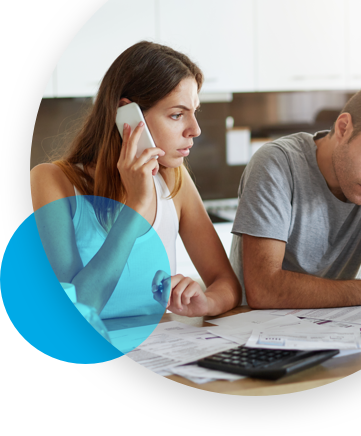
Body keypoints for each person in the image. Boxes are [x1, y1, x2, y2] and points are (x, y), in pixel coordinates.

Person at [30, 41, 241, 319]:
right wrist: (136, 206)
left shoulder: (173, 179)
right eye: (177, 114)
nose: (195, 129)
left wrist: (207, 301)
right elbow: (75, 310)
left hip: (165, 351)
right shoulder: (52, 181)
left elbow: (226, 283)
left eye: (194, 112)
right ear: (127, 115)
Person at [230, 80, 361, 309]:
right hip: (253, 330)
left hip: (335, 328)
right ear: (343, 128)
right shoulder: (277, 163)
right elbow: (263, 290)